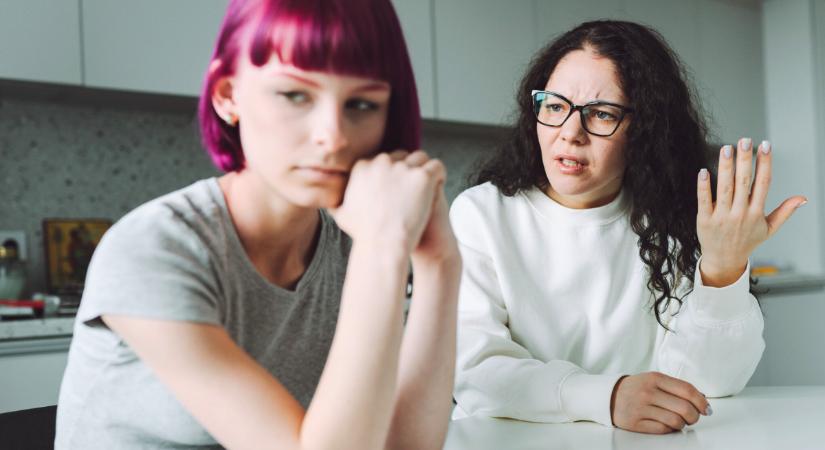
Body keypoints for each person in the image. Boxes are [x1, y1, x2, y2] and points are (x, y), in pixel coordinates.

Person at [55, 1, 461, 448]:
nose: (333, 135)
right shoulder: (153, 249)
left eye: (362, 103)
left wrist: (440, 262)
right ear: (228, 95)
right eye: (294, 95)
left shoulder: (354, 248)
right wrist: (384, 250)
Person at [449, 20, 805, 435]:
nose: (569, 133)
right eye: (554, 105)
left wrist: (724, 269)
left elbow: (709, 385)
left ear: (645, 131)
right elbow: (474, 369)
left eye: (601, 114)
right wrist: (608, 396)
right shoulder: (481, 214)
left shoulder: (672, 218)